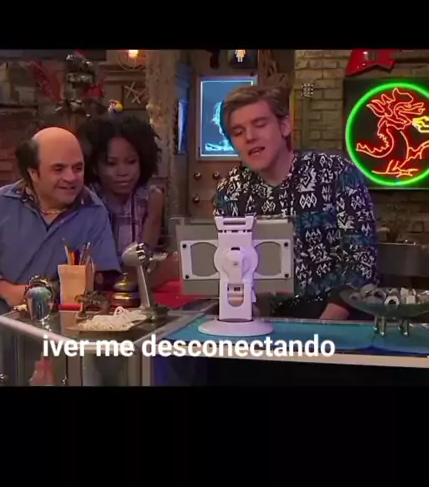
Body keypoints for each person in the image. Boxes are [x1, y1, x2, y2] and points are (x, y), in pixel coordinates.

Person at [0, 126, 120, 386]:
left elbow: (101, 279)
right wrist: (7, 290)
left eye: (77, 168)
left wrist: (41, 295)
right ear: (33, 172)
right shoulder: (0, 202)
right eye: (58, 169)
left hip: (57, 346)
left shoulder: (94, 211)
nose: (71, 177)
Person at [213, 84, 379, 320]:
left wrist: (322, 328)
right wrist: (246, 313)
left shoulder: (335, 172)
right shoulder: (230, 190)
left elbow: (362, 260)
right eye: (238, 132)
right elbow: (229, 266)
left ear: (284, 126)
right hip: (267, 320)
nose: (250, 137)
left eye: (260, 124)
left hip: (342, 315)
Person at [78, 113, 178, 288]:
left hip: (130, 290)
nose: (123, 172)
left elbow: (140, 264)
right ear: (94, 166)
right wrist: (160, 275)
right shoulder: (84, 199)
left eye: (131, 162)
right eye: (111, 163)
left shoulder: (151, 198)